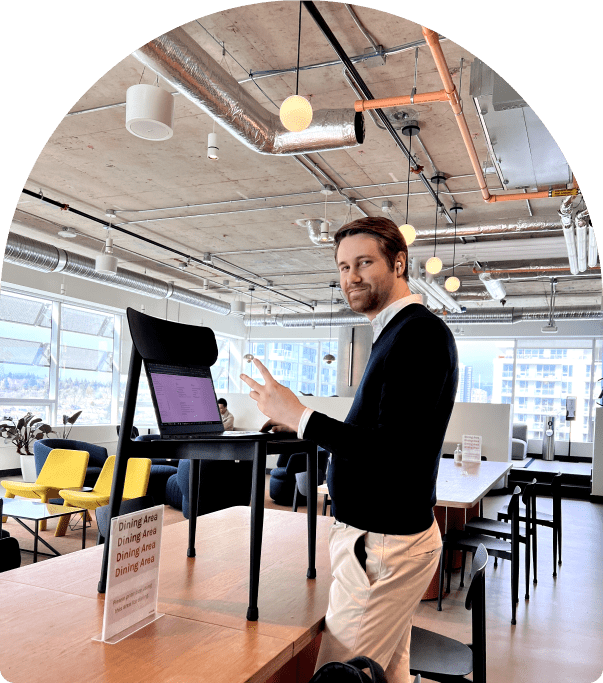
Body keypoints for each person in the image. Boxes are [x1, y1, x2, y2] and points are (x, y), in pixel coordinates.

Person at [240, 216, 458, 683]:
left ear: (399, 263)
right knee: (384, 675)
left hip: (383, 546)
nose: (351, 277)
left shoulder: (417, 334)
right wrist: (295, 420)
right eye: (342, 267)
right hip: (385, 539)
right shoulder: (398, 333)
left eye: (363, 262)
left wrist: (300, 415)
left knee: (340, 678)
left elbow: (388, 451)